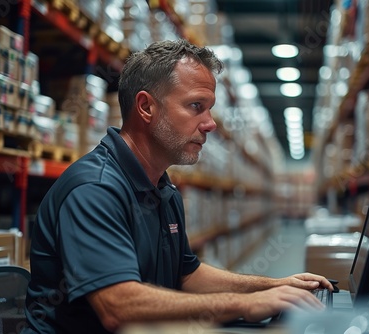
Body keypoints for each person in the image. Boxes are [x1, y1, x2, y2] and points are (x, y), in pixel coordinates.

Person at [23, 39, 333, 334]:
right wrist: (242, 303)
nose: (210, 123)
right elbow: (117, 305)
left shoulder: (162, 188)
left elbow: (188, 275)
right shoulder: (95, 189)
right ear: (146, 107)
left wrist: (272, 286)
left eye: (210, 108)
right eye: (196, 106)